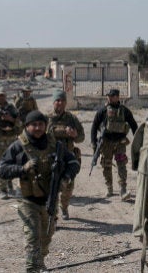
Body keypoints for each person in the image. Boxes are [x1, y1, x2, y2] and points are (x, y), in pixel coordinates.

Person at [0, 110, 80, 273]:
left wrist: (66, 177)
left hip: (49, 199)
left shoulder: (55, 146)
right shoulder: (18, 146)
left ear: (45, 126)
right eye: (33, 125)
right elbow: (2, 170)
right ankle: (32, 268)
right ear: (27, 126)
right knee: (32, 238)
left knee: (46, 237)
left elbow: (73, 162)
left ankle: (40, 262)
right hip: (27, 200)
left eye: (41, 124)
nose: (37, 128)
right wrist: (22, 169)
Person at [90, 88, 138, 199]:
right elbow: (94, 126)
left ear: (118, 97)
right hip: (106, 143)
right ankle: (109, 188)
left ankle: (123, 190)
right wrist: (94, 143)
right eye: (108, 96)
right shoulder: (103, 111)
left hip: (120, 142)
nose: (109, 98)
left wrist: (137, 141)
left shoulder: (125, 111)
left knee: (121, 165)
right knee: (106, 165)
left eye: (112, 96)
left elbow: (134, 125)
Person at [46, 89, 84, 220]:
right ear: (53, 102)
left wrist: (75, 135)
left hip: (68, 159)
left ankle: (64, 207)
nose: (60, 103)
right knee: (52, 186)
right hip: (52, 158)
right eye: (57, 100)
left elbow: (82, 137)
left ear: (66, 102)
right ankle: (52, 214)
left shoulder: (72, 118)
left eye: (62, 100)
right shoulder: (47, 119)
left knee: (68, 186)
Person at [0, 87, 22, 199]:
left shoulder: (12, 109)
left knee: (11, 165)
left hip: (11, 141)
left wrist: (11, 119)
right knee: (0, 165)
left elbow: (20, 124)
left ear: (5, 96)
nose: (0, 98)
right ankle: (3, 190)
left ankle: (9, 182)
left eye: (2, 95)